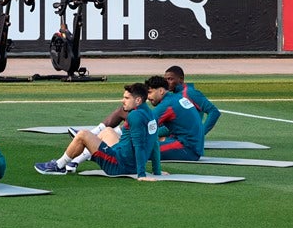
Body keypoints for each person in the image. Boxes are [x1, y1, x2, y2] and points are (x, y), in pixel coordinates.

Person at [34, 82, 162, 178]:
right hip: (127, 161)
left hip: (118, 165)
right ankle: (74, 162)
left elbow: (139, 146)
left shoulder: (135, 116)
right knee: (107, 131)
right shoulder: (152, 115)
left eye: (127, 98)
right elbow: (154, 144)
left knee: (83, 134)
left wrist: (141, 175)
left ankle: (59, 166)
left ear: (138, 100)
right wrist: (157, 172)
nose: (122, 101)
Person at [147, 74, 205, 161]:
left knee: (140, 151)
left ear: (161, 91)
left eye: (150, 92)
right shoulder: (176, 98)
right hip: (191, 145)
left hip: (187, 149)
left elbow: (145, 123)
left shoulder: (167, 104)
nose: (148, 97)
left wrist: (121, 132)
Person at [165, 65, 221, 135]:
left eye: (170, 79)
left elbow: (214, 112)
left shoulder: (190, 93)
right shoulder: (174, 94)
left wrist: (201, 134)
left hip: (184, 132)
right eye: (166, 80)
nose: (167, 82)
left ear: (181, 79)